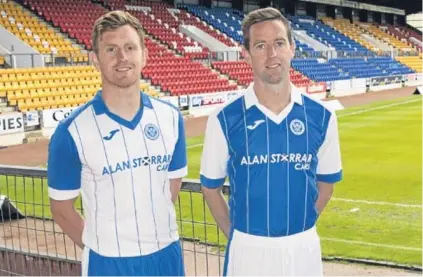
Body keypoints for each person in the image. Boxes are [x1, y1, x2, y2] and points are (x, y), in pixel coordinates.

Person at [199, 7, 342, 276]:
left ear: (292, 47)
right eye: (260, 45)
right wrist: (239, 237)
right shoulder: (223, 118)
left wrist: (299, 226)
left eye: (278, 43)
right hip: (247, 249)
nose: (271, 54)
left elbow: (326, 186)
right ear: (247, 53)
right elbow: (210, 189)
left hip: (303, 247)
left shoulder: (322, 116)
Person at [47, 10, 187, 276]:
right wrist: (104, 246)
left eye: (130, 47)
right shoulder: (71, 131)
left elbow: (171, 186)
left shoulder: (170, 118)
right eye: (111, 49)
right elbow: (61, 209)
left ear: (144, 55)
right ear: (95, 60)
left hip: (166, 255)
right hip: (108, 263)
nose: (122, 58)